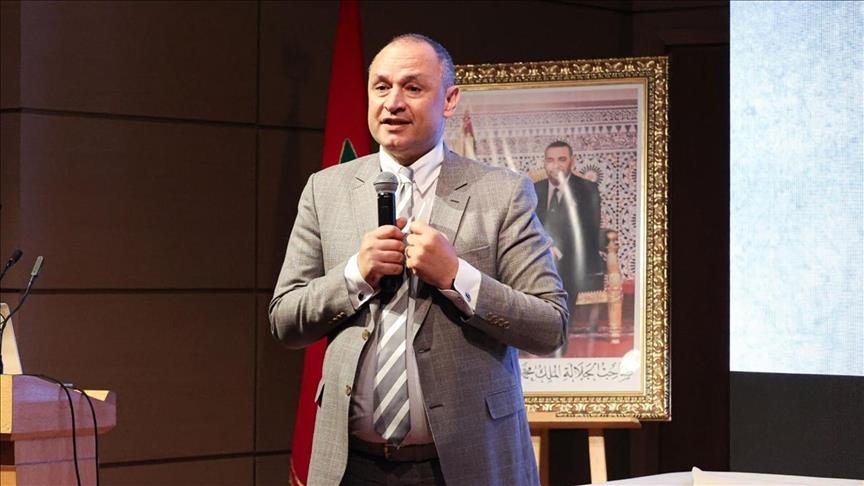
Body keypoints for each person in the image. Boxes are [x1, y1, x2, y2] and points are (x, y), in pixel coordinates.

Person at [269, 33, 567, 486]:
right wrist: (354, 275)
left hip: (465, 465)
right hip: (353, 466)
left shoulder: (503, 192)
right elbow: (285, 321)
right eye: (381, 87)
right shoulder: (325, 189)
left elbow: (549, 326)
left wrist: (457, 276)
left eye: (412, 87)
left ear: (449, 100)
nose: (393, 102)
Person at [534, 141, 604, 341]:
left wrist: (559, 249)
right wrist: (546, 246)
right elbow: (526, 224)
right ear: (544, 163)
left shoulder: (587, 189)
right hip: (540, 252)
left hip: (575, 254)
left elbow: (588, 231)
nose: (555, 165)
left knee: (563, 269)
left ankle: (557, 335)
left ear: (572, 162)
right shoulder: (533, 189)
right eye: (550, 160)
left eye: (561, 160)